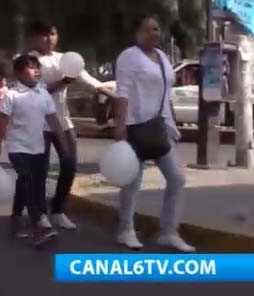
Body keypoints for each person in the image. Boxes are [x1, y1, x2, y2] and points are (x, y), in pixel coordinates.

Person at [112, 15, 194, 252]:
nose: (154, 33)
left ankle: (168, 232)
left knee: (177, 179)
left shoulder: (163, 58)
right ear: (137, 33)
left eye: (157, 29)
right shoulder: (129, 57)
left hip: (159, 127)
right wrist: (120, 125)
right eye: (148, 29)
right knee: (132, 181)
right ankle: (125, 230)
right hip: (136, 126)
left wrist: (173, 121)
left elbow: (166, 93)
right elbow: (122, 92)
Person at [25, 21, 116, 230]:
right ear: (36, 38)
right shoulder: (29, 61)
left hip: (62, 121)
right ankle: (39, 213)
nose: (49, 39)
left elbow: (91, 81)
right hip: (38, 124)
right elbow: (36, 91)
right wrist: (64, 82)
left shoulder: (65, 59)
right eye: (45, 35)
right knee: (40, 170)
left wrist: (116, 97)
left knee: (70, 165)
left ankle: (58, 209)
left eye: (53, 34)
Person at [0, 54, 64, 247]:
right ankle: (38, 226)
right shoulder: (11, 95)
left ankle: (16, 217)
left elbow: (53, 119)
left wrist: (64, 143)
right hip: (17, 147)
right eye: (31, 67)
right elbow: (2, 123)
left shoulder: (44, 94)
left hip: (38, 147)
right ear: (18, 73)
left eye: (38, 67)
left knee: (32, 183)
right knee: (27, 179)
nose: (37, 71)